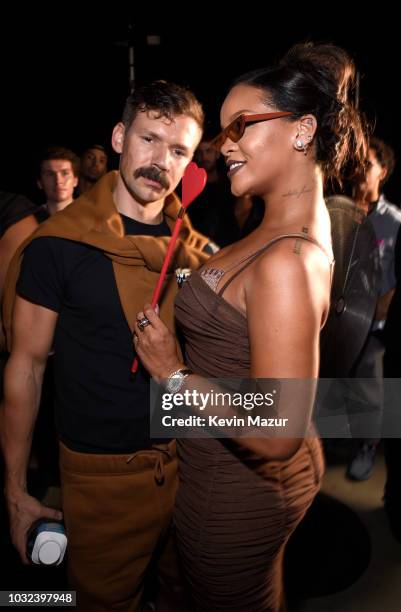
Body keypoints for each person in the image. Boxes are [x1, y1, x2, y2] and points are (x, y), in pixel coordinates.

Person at [133, 43, 368, 611]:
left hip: (234, 490)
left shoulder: (288, 259)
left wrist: (174, 375)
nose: (223, 145)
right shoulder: (279, 227)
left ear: (302, 130)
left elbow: (278, 427)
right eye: (221, 131)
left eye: (240, 126)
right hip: (232, 470)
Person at [0, 80, 213, 611]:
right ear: (119, 137)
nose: (160, 161)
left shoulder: (190, 248)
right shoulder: (58, 246)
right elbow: (25, 368)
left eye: (179, 150)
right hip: (102, 480)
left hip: (187, 466)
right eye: (148, 139)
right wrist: (16, 491)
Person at [347, 138, 401, 480]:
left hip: (374, 323)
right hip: (337, 317)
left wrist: (387, 302)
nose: (359, 172)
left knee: (371, 388)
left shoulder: (395, 220)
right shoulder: (335, 210)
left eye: (366, 165)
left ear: (382, 171)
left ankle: (369, 445)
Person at [36, 146, 80, 218]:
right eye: (50, 174)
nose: (58, 181)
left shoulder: (92, 216)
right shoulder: (28, 221)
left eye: (65, 173)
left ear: (75, 180)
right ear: (40, 183)